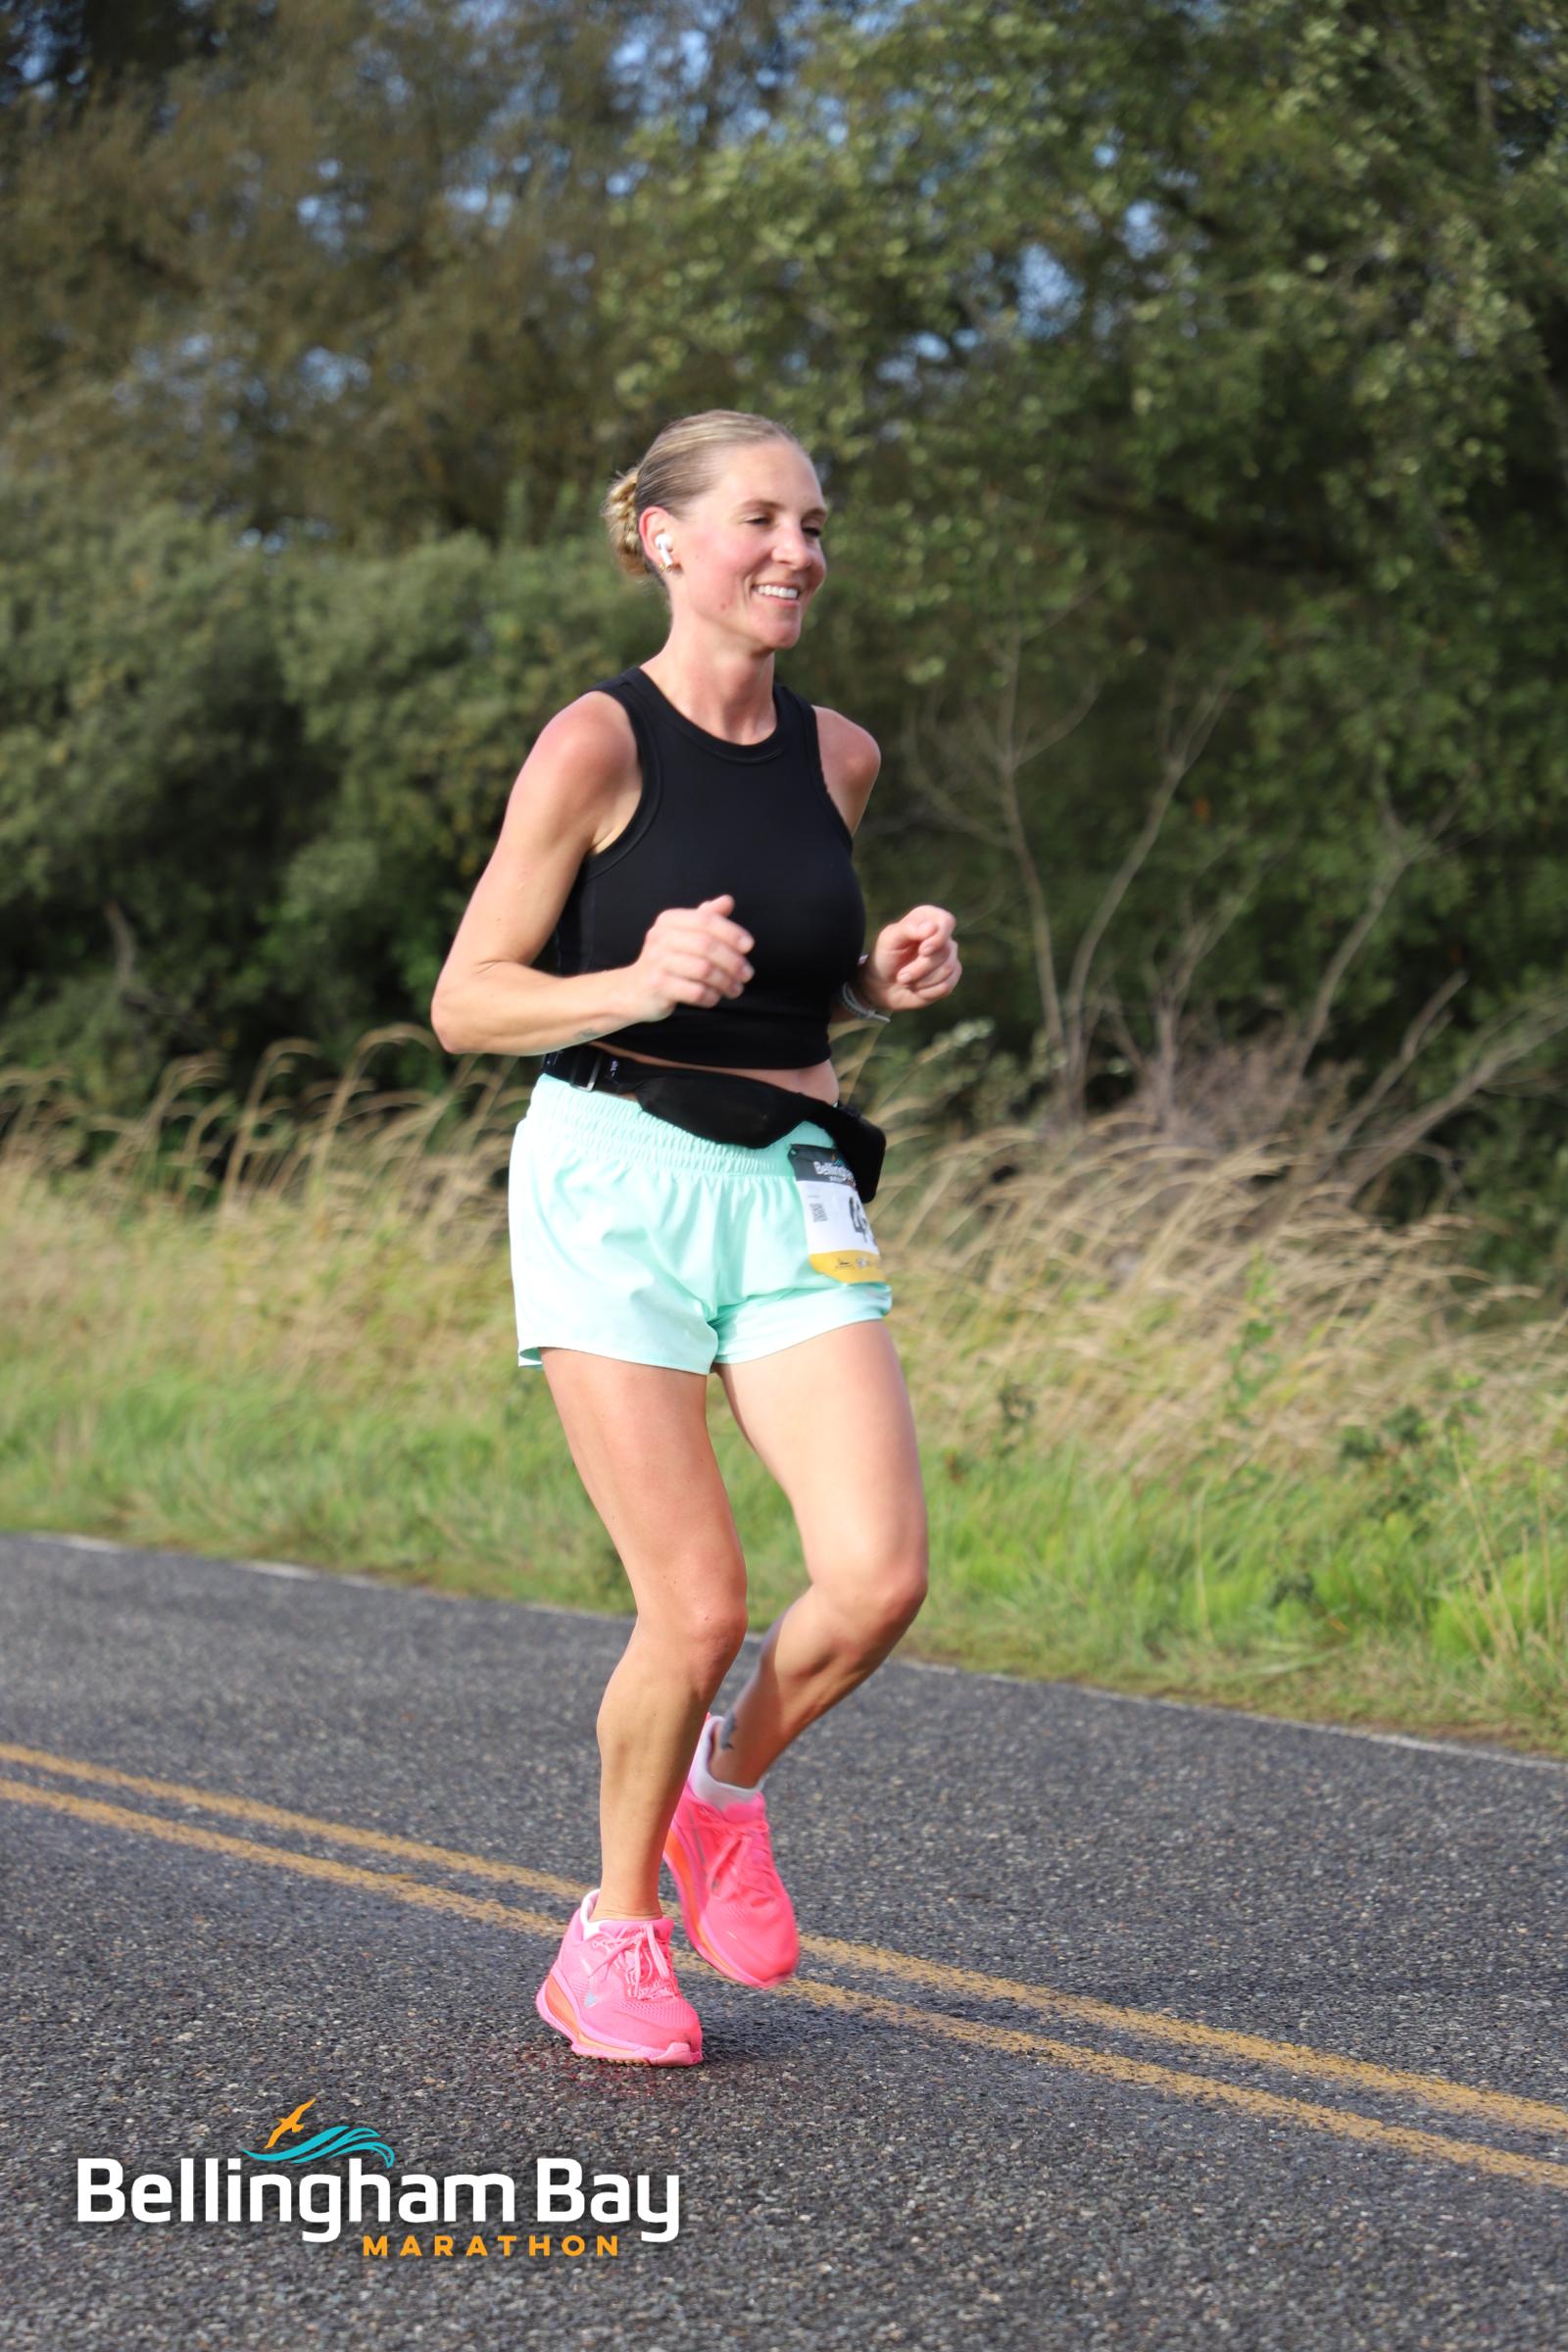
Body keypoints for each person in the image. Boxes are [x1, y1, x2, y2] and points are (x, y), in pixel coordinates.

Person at [431, 409, 961, 2065]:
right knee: (699, 1607)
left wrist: (875, 981)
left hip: (791, 1181)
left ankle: (718, 1795)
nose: (799, 552)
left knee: (877, 1579)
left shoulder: (840, 755)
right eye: (763, 521)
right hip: (613, 1180)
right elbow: (467, 1002)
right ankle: (610, 1937)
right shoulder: (597, 742)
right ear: (665, 539)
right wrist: (633, 982)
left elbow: (791, 977)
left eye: (815, 524)